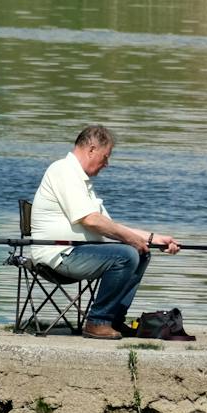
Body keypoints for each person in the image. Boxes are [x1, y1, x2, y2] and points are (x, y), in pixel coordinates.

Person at [29, 124, 181, 340]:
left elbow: (109, 225)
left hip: (80, 252)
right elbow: (91, 220)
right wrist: (131, 240)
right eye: (106, 156)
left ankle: (113, 320)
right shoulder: (63, 171)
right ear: (91, 149)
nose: (107, 164)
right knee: (126, 254)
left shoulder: (80, 181)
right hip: (58, 255)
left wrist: (152, 238)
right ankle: (97, 322)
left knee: (141, 252)